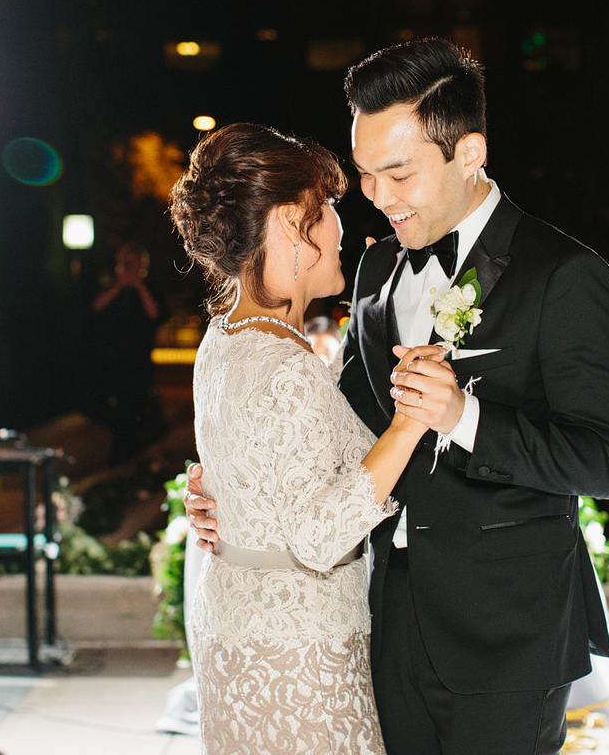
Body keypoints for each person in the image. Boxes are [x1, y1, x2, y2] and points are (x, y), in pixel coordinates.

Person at [187, 39, 609, 755]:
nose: (379, 198)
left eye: (398, 174)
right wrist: (242, 500)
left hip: (506, 639)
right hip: (384, 623)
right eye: (366, 177)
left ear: (469, 153)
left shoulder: (566, 276)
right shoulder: (373, 270)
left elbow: (606, 462)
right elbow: (348, 433)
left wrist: (466, 417)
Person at [168, 123, 432, 754]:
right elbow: (318, 536)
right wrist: (410, 421)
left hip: (235, 627)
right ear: (291, 224)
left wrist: (214, 494)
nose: (343, 224)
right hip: (298, 652)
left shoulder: (221, 339)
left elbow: (252, 465)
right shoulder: (285, 365)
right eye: (331, 208)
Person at [89, 242, 163, 462]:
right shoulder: (110, 288)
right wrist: (119, 285)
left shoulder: (150, 289)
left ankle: (129, 459)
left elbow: (155, 314)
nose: (129, 268)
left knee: (135, 414)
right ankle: (118, 457)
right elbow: (95, 308)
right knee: (110, 412)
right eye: (126, 263)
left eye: (134, 263)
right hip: (110, 364)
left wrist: (138, 285)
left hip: (138, 365)